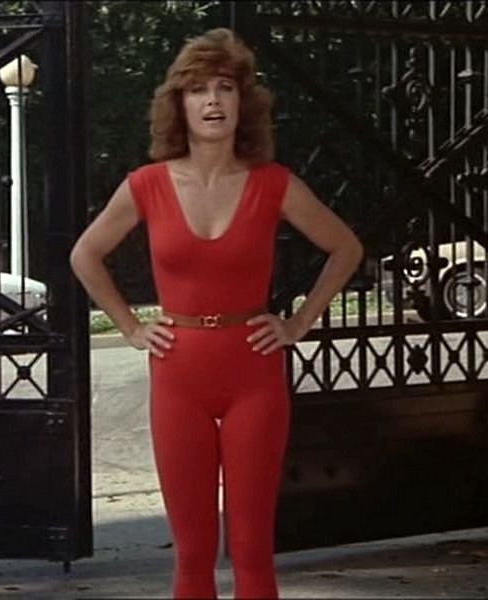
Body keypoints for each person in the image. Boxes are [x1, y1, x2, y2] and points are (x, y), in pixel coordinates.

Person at [70, 28, 363, 600]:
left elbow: (346, 248)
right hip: (177, 376)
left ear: (242, 102)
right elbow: (85, 254)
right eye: (198, 89)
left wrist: (298, 324)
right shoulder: (146, 185)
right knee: (193, 553)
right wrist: (131, 327)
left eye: (225, 88)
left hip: (254, 375)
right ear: (178, 104)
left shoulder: (273, 184)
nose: (212, 101)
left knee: (252, 548)